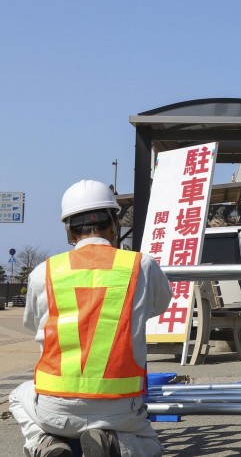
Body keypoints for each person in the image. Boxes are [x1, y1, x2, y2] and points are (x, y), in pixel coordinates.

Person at [10, 180, 173, 457]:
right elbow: (159, 305)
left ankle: (44, 443)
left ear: (69, 230)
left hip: (54, 409)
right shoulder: (141, 265)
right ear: (114, 223)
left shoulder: (44, 272)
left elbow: (32, 324)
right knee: (151, 447)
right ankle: (116, 446)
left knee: (16, 396)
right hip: (120, 408)